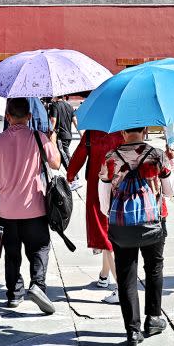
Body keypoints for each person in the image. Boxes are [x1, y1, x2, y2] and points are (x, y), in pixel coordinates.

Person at [99, 128, 174, 346]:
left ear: (123, 131)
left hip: (122, 225)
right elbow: (171, 190)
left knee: (126, 275)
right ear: (145, 130)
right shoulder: (156, 155)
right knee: (154, 267)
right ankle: (153, 318)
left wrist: (119, 214)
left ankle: (132, 331)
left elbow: (104, 202)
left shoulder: (111, 158)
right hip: (154, 222)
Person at [0, 97, 61, 314]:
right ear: (29, 117)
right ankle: (38, 285)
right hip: (35, 207)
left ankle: (14, 294)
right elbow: (56, 163)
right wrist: (52, 139)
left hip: (8, 210)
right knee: (40, 248)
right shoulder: (38, 137)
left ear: (7, 117)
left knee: (12, 253)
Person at [67, 129, 125, 305]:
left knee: (106, 236)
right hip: (123, 187)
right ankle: (104, 275)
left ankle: (121, 288)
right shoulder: (124, 131)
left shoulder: (91, 134)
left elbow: (78, 156)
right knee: (109, 234)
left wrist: (70, 175)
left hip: (98, 187)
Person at [48, 95, 77, 169]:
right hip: (68, 135)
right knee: (63, 156)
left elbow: (53, 120)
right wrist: (81, 134)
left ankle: (73, 176)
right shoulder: (69, 106)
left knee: (65, 158)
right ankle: (71, 176)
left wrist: (50, 133)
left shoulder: (54, 105)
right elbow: (75, 120)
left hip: (60, 136)